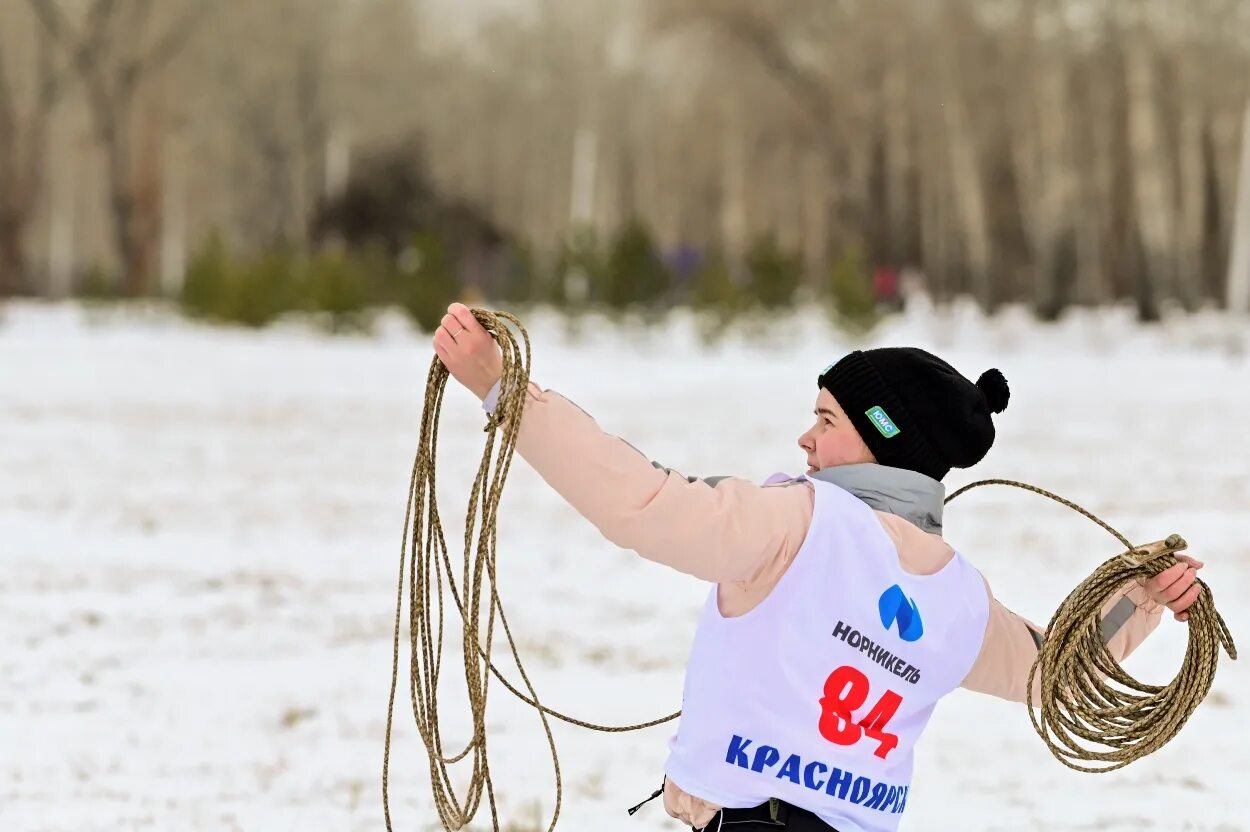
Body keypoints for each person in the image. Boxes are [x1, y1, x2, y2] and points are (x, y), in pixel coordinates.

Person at [430, 303, 1206, 832]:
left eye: (826, 421)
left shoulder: (797, 523)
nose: (806, 440)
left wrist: (505, 390)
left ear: (883, 444)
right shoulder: (960, 596)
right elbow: (1054, 675)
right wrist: (1139, 601)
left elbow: (640, 501)